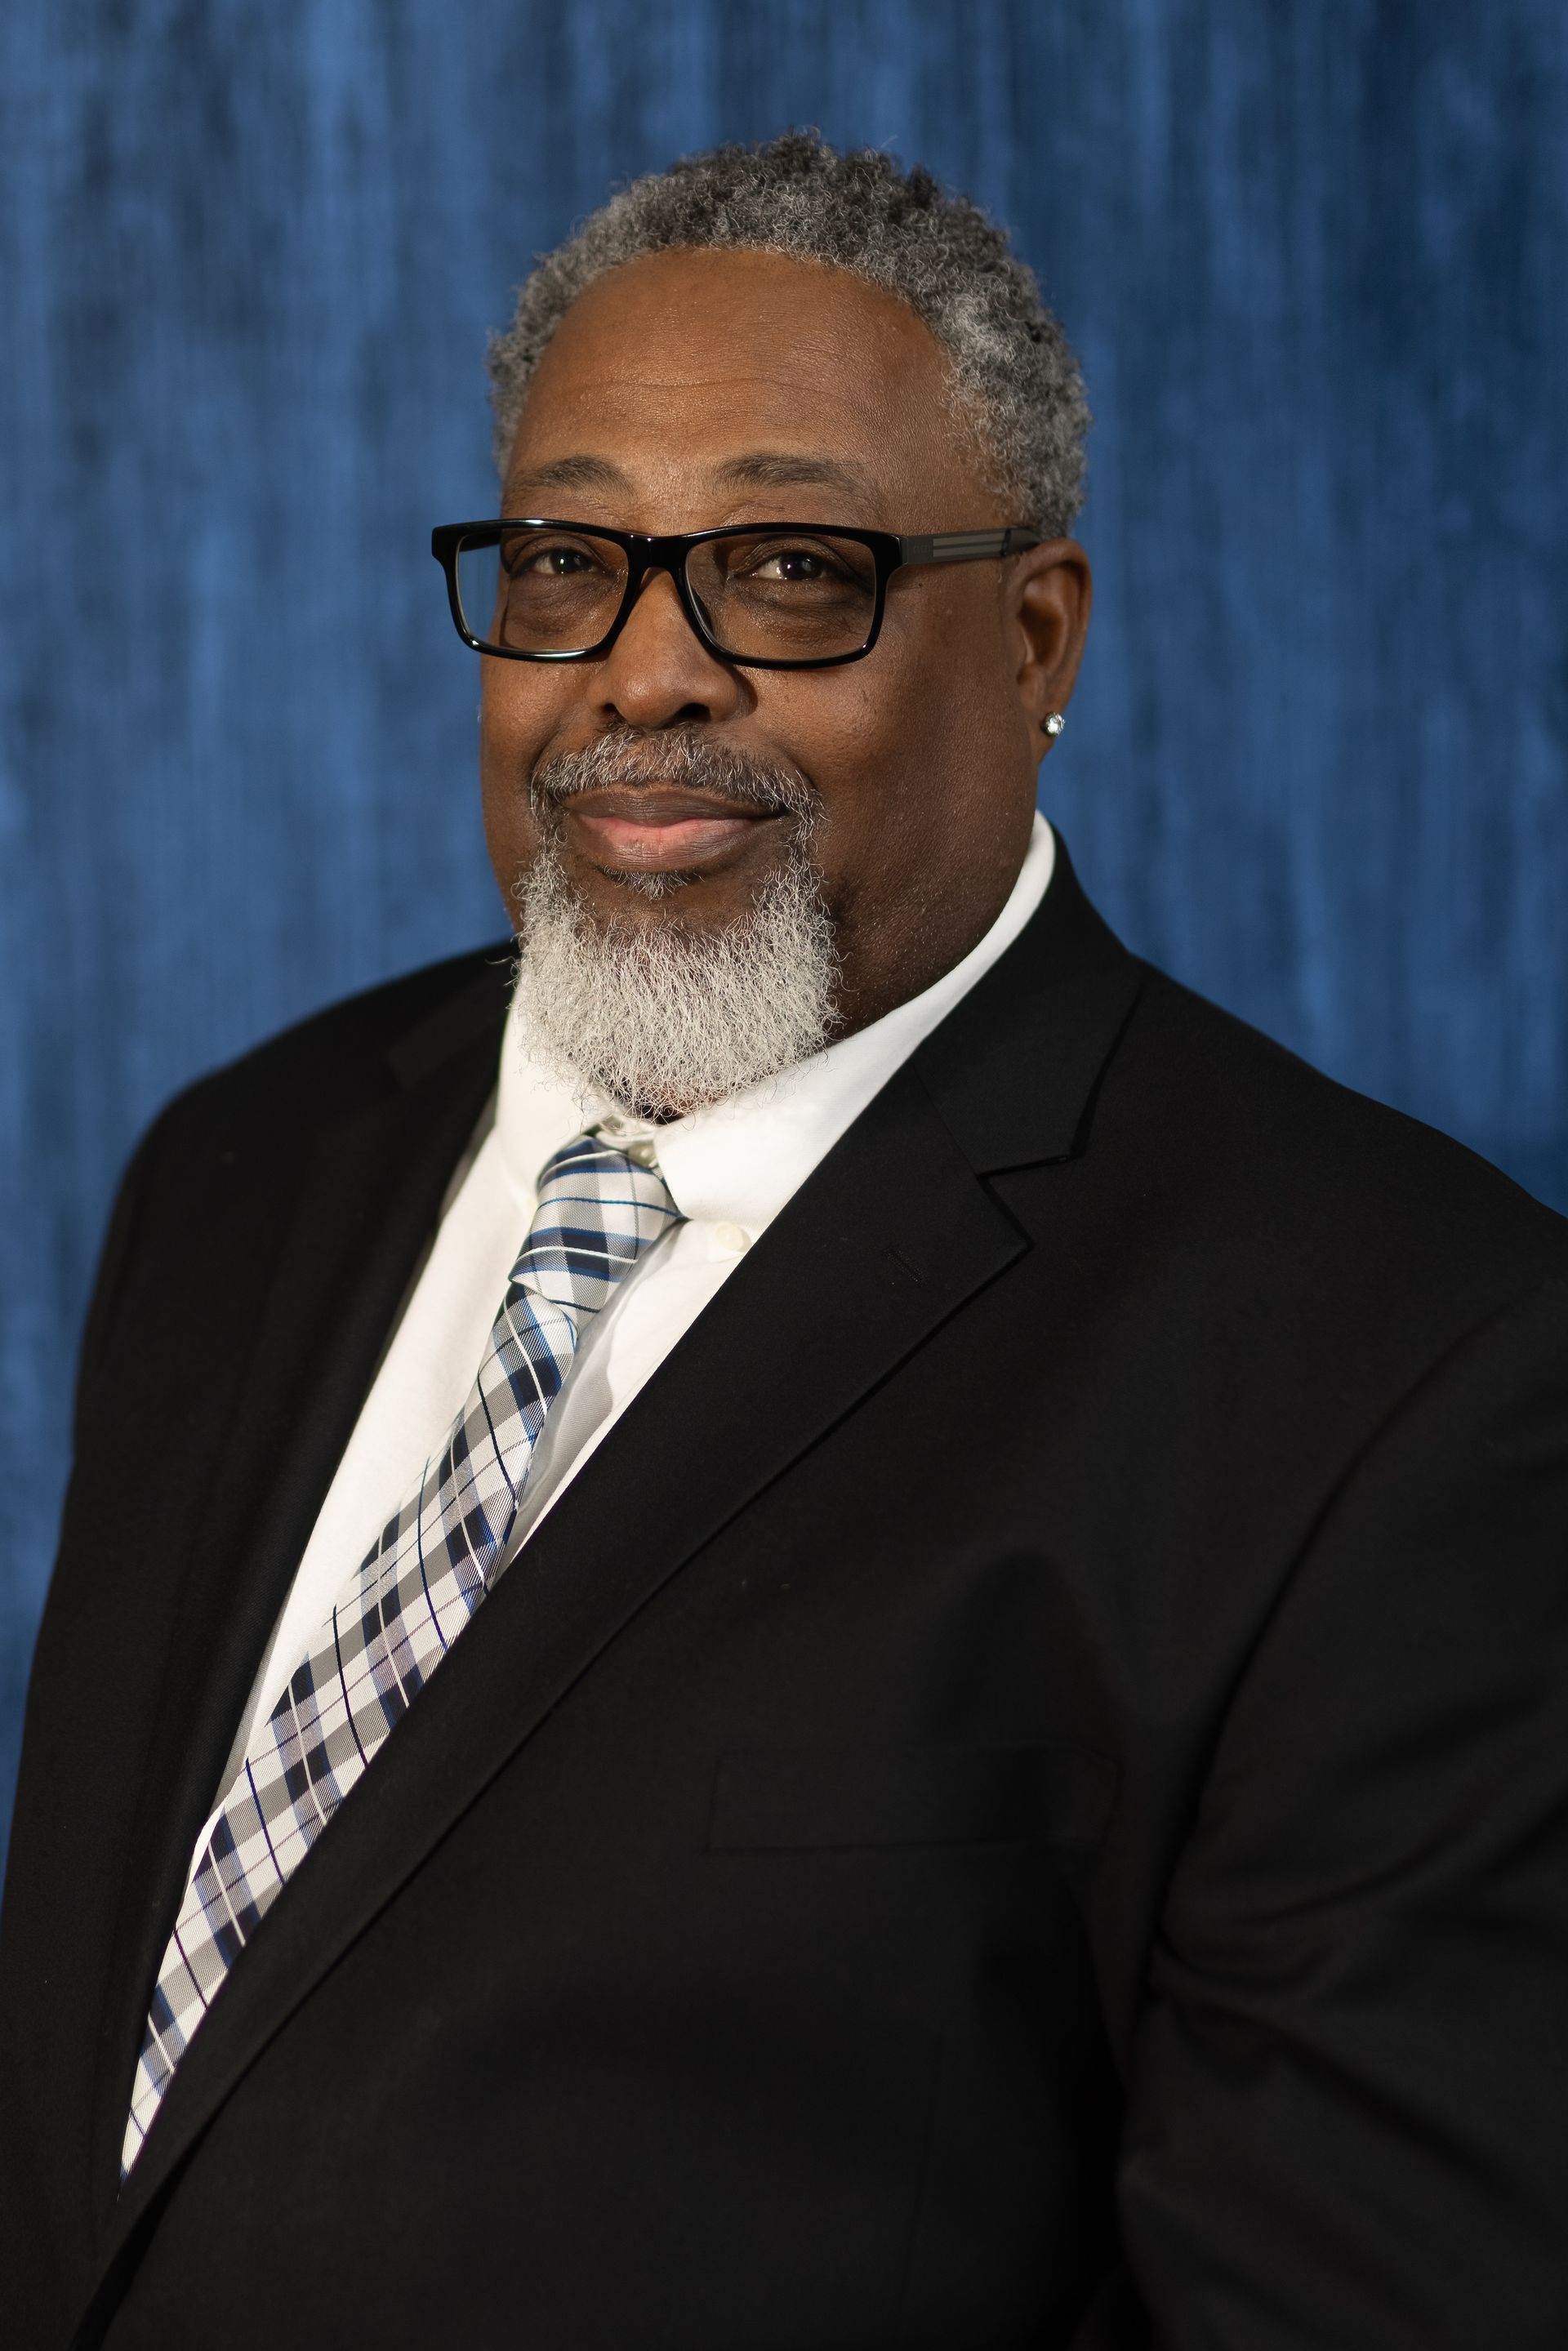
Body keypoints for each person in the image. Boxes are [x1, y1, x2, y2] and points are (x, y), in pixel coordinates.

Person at [2, 131, 1566, 2350]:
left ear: (1038, 635)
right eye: (570, 564)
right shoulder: (243, 1177)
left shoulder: (1406, 1371)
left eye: (790, 568)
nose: (645, 677)